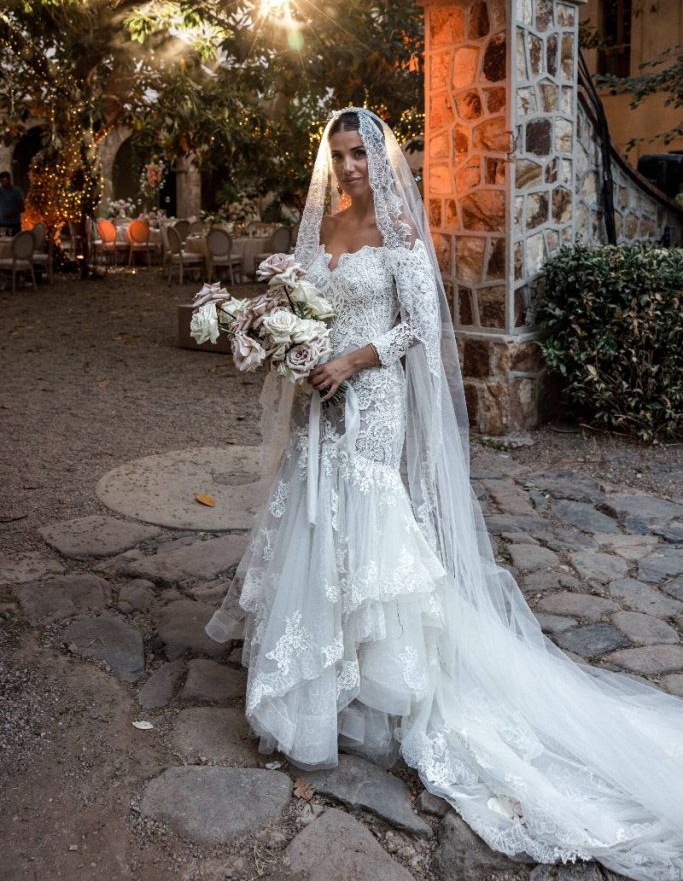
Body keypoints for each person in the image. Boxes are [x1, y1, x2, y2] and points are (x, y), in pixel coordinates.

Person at [206, 108, 683, 881]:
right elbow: (298, 303)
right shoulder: (321, 223)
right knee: (312, 513)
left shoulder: (395, 229)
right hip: (316, 401)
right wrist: (280, 340)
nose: (350, 166)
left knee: (364, 516)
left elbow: (419, 329)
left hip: (370, 397)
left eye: (360, 153)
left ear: (380, 158)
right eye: (338, 154)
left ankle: (373, 683)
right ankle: (321, 683)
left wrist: (353, 361)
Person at [0, 171, 25, 235]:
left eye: (5, 181)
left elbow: (22, 208)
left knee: (15, 243)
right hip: (2, 224)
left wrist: (11, 213)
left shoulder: (17, 191)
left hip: (14, 224)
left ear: (9, 180)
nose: (3, 183)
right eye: (2, 181)